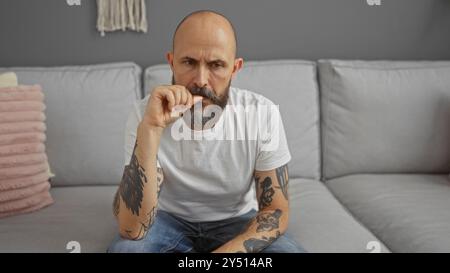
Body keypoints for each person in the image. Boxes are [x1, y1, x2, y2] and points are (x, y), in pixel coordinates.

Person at [108, 10, 305, 253]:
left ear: (235, 68)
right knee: (127, 251)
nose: (201, 80)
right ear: (172, 62)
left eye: (216, 65)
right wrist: (151, 128)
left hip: (237, 222)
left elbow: (275, 211)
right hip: (164, 219)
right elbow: (132, 229)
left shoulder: (262, 113)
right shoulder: (144, 114)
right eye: (189, 62)